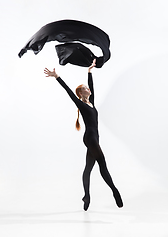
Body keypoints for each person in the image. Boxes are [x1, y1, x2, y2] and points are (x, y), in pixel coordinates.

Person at [44, 59, 123, 211]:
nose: (89, 89)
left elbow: (92, 86)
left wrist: (89, 72)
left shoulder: (91, 102)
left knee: (88, 169)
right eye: (86, 88)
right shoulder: (80, 103)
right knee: (102, 163)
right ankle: (115, 191)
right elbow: (68, 91)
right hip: (90, 138)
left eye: (88, 88)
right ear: (81, 93)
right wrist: (57, 76)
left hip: (94, 138)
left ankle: (86, 196)